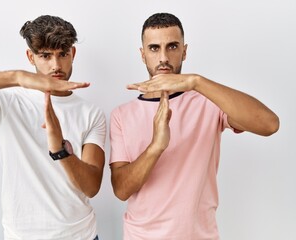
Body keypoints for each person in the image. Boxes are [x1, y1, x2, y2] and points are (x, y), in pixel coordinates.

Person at [109, 12, 279, 240]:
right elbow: (121, 189)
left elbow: (269, 124)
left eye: (172, 46)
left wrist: (195, 81)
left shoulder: (208, 101)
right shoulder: (122, 114)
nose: (163, 58)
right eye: (153, 48)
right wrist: (156, 147)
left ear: (184, 51)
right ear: (142, 55)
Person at [0, 15, 105, 240]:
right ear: (30, 57)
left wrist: (61, 150)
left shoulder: (91, 113)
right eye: (45, 56)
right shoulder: (6, 102)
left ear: (72, 54)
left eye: (62, 54)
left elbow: (92, 187)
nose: (56, 65)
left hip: (80, 235)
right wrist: (15, 77)